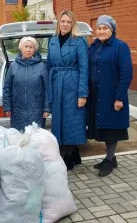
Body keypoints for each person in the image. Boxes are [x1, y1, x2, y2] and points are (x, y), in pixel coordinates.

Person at [87, 15, 133, 177]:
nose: (101, 31)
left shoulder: (120, 47)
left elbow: (126, 73)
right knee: (104, 127)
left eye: (105, 28)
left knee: (112, 128)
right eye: (99, 28)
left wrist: (119, 97)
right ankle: (110, 158)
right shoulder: (94, 46)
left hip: (112, 95)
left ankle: (109, 160)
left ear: (112, 30)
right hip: (97, 95)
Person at [47, 10, 89, 170]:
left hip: (72, 84)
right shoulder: (52, 41)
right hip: (57, 83)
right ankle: (70, 153)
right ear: (59, 23)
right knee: (59, 120)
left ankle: (69, 155)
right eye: (62, 21)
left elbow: (84, 68)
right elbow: (49, 65)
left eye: (68, 22)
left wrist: (82, 93)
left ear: (73, 24)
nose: (65, 24)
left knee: (72, 121)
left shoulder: (79, 41)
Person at [2, 37, 50, 131]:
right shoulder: (13, 66)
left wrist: (46, 109)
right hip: (17, 112)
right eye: (26, 46)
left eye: (31, 47)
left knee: (35, 139)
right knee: (19, 139)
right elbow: (7, 88)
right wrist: (7, 107)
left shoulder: (41, 66)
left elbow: (47, 89)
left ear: (35, 49)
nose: (28, 49)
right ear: (21, 48)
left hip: (36, 111)